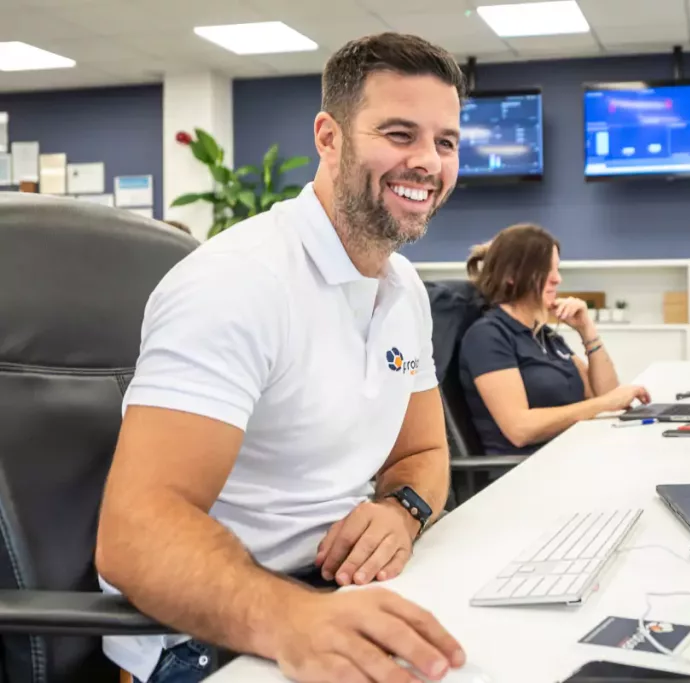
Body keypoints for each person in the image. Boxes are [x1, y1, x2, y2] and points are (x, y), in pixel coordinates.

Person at [95, 33, 469, 683]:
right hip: (209, 636)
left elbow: (423, 455)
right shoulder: (238, 282)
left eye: (445, 142)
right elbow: (135, 534)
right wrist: (293, 618)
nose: (428, 162)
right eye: (400, 134)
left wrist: (401, 510)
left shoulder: (403, 290)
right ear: (329, 138)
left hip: (331, 596)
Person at [458, 224, 651, 455]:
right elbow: (520, 428)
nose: (557, 279)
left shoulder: (544, 335)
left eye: (557, 269)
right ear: (511, 276)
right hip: (523, 471)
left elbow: (605, 394)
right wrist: (606, 403)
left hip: (569, 455)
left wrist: (587, 331)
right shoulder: (488, 336)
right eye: (546, 270)